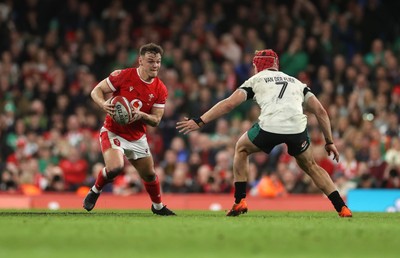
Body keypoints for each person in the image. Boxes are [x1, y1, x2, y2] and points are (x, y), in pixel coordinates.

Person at [176, 49, 352, 217]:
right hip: (297, 128)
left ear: (258, 65)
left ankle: (240, 201)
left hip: (270, 126)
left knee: (241, 148)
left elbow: (229, 104)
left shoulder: (257, 79)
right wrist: (329, 141)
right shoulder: (296, 82)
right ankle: (342, 207)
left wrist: (200, 120)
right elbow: (320, 111)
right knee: (311, 166)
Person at [83, 43, 176, 216]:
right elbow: (96, 91)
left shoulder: (160, 89)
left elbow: (156, 120)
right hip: (113, 131)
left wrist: (141, 115)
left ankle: (158, 207)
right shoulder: (124, 75)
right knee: (115, 167)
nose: (155, 65)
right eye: (150, 61)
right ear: (140, 61)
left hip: (137, 136)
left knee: (149, 175)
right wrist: (104, 104)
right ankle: (95, 191)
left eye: (158, 61)